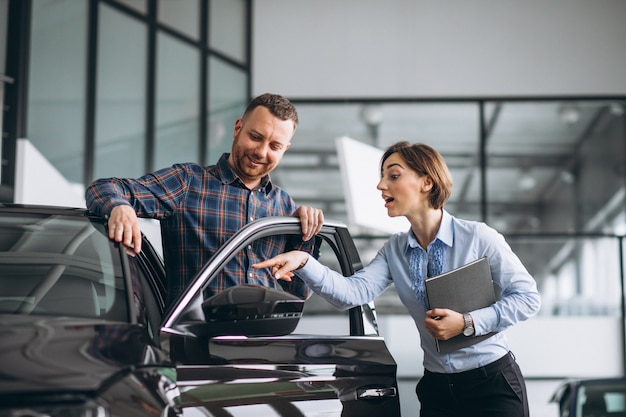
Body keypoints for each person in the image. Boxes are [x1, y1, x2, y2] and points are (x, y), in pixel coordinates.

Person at [253, 141, 541, 417]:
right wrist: (304, 261)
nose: (381, 186)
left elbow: (528, 299)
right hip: (438, 391)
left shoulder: (479, 237)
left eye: (393, 175)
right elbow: (352, 292)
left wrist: (467, 323)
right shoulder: (395, 251)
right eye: (382, 177)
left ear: (427, 182)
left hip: (491, 385)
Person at [86, 93, 323, 306]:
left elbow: (300, 292)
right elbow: (104, 187)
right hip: (197, 345)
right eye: (255, 136)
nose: (261, 152)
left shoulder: (284, 206)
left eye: (274, 146)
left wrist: (306, 237)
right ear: (237, 128)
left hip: (262, 347)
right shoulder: (188, 182)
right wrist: (120, 207)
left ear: (285, 149)